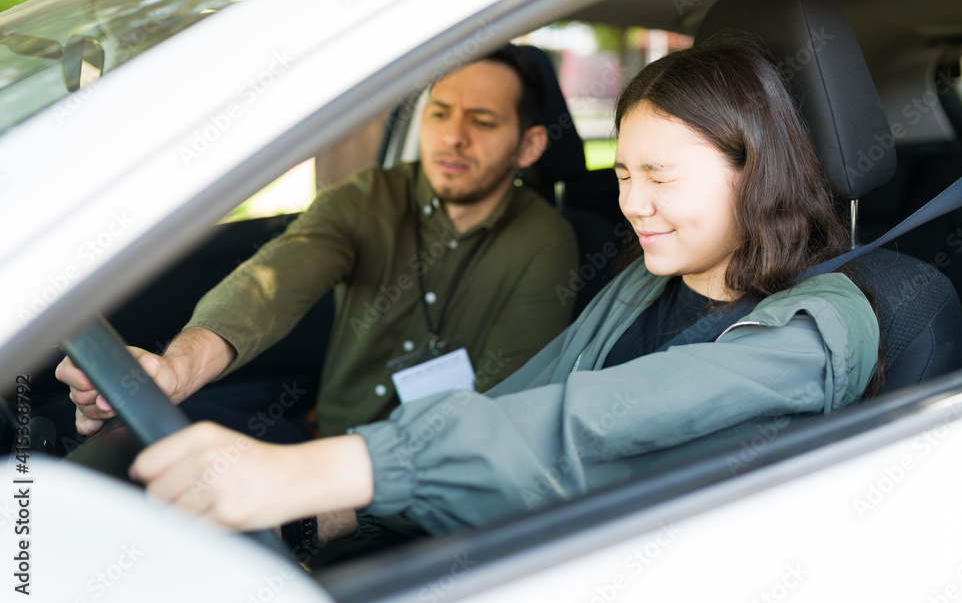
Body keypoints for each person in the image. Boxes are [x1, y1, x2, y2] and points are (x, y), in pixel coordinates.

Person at [128, 41, 880, 542]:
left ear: (754, 172)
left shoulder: (816, 329)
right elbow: (516, 404)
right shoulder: (644, 289)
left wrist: (325, 469)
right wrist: (334, 507)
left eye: (661, 176)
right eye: (624, 174)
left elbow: (585, 424)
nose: (633, 203)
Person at [58, 44, 579, 441]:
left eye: (482, 121)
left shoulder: (544, 240)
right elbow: (272, 282)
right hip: (321, 440)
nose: (453, 137)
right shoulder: (368, 198)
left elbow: (507, 399)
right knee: (138, 439)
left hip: (433, 475)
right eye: (440, 112)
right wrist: (176, 369)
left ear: (530, 144)